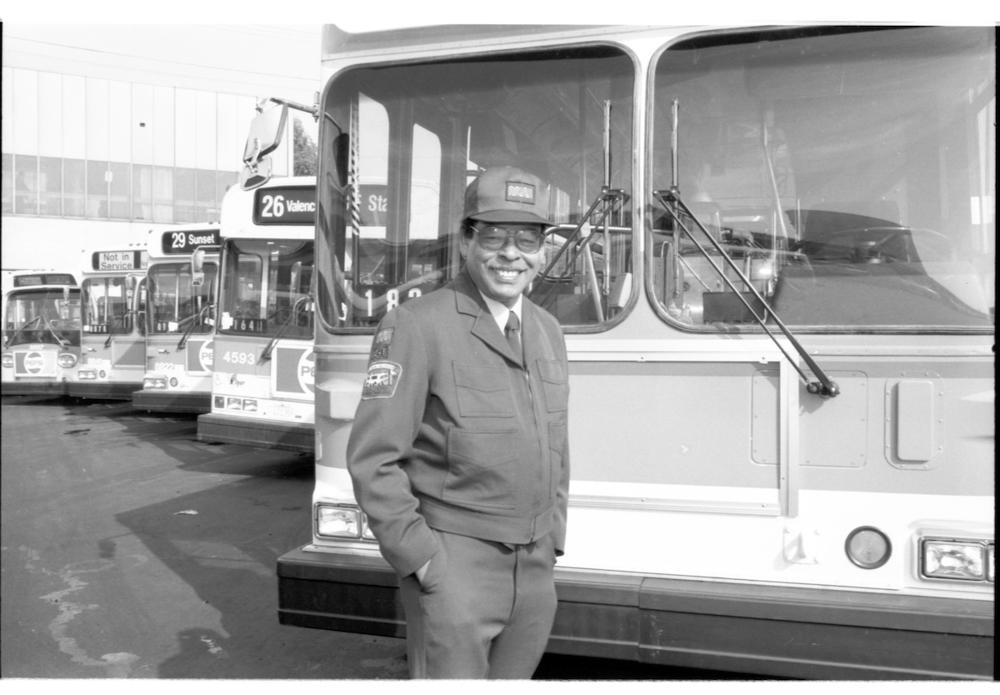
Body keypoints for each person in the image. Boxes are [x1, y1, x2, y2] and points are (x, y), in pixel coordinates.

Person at [347, 165, 570, 679]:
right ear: (466, 241)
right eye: (493, 235)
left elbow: (556, 443)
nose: (511, 253)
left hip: (535, 568)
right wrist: (423, 561)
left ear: (543, 249)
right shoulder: (418, 325)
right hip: (455, 566)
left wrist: (553, 537)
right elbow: (373, 459)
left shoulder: (548, 331)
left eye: (527, 238)